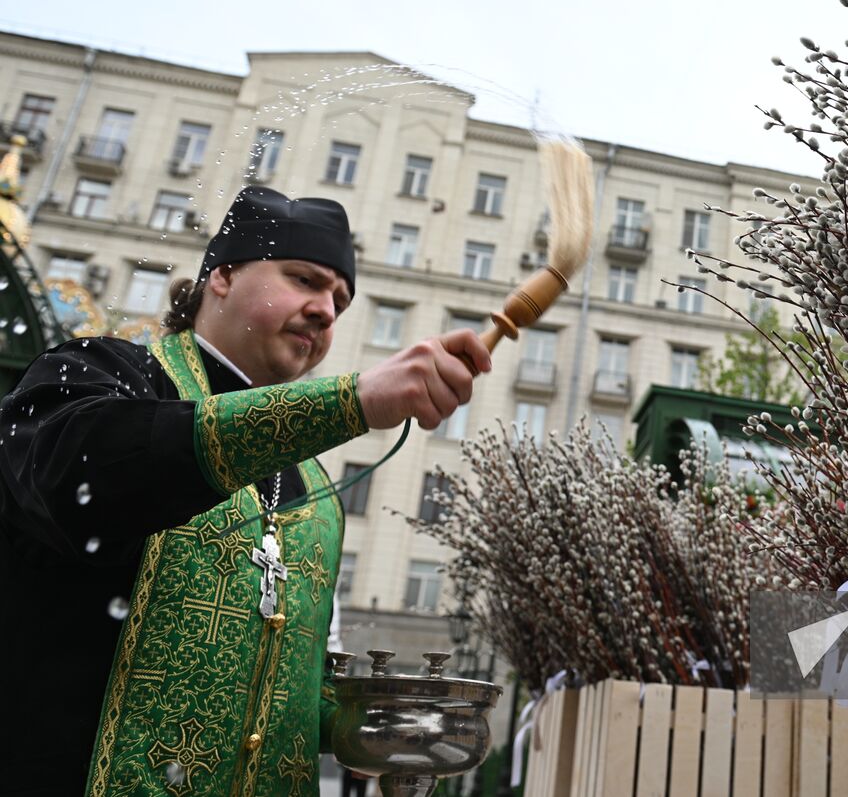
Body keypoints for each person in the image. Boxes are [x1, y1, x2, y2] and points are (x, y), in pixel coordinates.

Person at [0, 186, 491, 796]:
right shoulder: (103, 372)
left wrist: (375, 729)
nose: (325, 311)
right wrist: (349, 402)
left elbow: (282, 695)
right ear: (223, 276)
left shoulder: (315, 486)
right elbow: (78, 474)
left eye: (339, 300)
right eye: (304, 280)